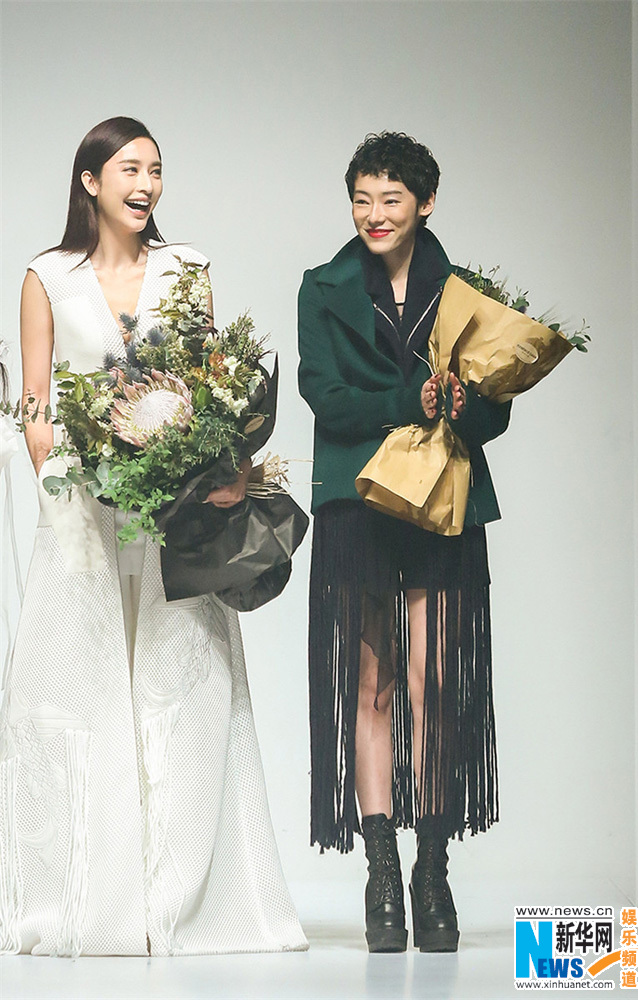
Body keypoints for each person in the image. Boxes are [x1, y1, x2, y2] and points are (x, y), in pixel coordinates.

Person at [0, 116, 308, 957]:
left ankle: (185, 902)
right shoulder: (47, 276)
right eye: (130, 169)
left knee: (185, 684)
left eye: (156, 170)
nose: (146, 185)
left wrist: (219, 466)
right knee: (81, 685)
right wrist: (62, 476)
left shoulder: (186, 269)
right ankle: (85, 901)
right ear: (90, 181)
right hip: (82, 512)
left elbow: (207, 388)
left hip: (173, 511)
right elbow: (35, 401)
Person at [297, 132, 511, 953]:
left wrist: (461, 401)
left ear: (425, 203)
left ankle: (432, 869)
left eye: (390, 198)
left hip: (440, 500)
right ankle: (380, 872)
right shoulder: (322, 287)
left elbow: (493, 415)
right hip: (357, 500)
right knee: (373, 685)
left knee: (433, 682)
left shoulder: (463, 293)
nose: (374, 214)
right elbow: (324, 397)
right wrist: (406, 399)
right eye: (361, 198)